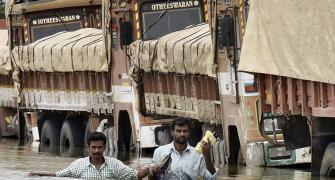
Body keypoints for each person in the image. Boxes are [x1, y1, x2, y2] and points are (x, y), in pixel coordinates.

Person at [29, 132, 159, 179]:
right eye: (94, 147)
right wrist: (37, 173)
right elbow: (58, 175)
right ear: (88, 147)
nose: (97, 150)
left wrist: (150, 169)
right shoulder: (78, 165)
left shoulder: (115, 165)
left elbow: (135, 176)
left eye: (100, 147)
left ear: (105, 147)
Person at [150, 118, 217, 180]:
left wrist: (207, 155)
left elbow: (211, 177)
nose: (182, 134)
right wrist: (153, 172)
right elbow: (151, 176)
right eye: (178, 131)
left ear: (189, 133)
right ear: (172, 132)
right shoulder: (159, 152)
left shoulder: (198, 154)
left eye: (185, 131)